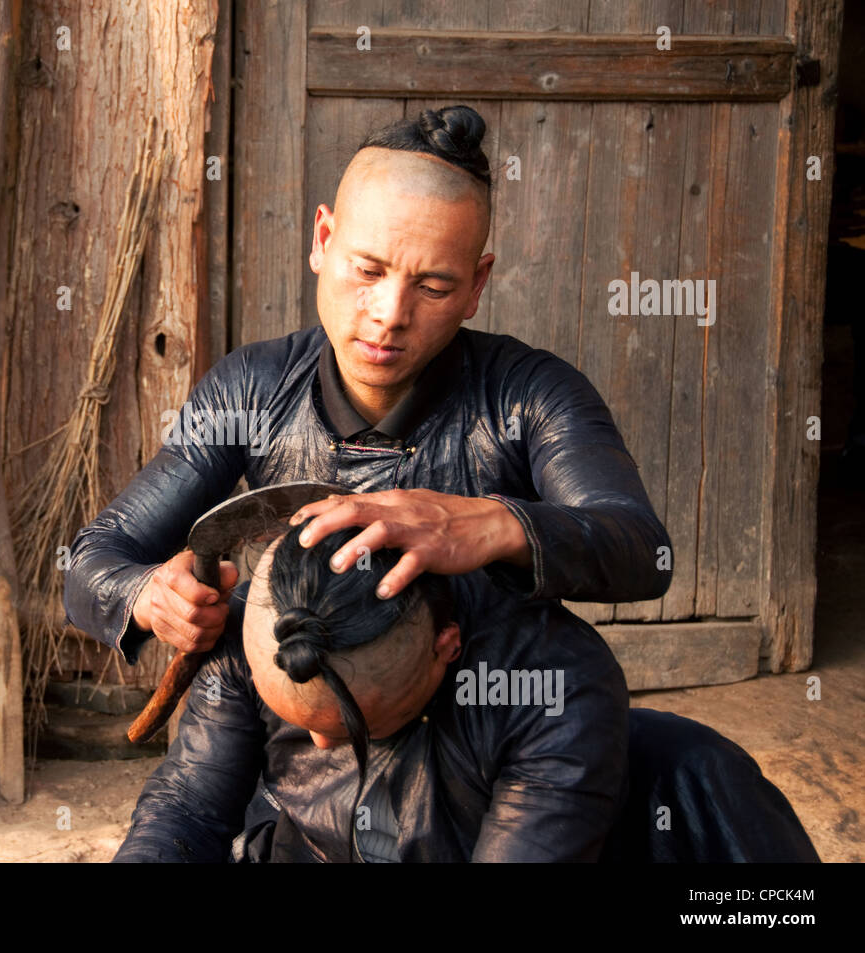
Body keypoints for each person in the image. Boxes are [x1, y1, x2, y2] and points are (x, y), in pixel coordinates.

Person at [64, 104, 672, 669]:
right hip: (306, 712)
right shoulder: (249, 391)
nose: (390, 313)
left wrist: (488, 524)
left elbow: (642, 550)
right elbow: (93, 560)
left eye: (433, 287)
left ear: (476, 285)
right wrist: (149, 594)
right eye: (368, 270)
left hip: (486, 723)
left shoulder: (530, 395)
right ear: (323, 241)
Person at [112, 526, 819, 863]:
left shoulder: (553, 694)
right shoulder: (256, 633)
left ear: (446, 648)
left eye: (346, 726)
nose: (317, 745)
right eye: (298, 720)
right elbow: (187, 806)